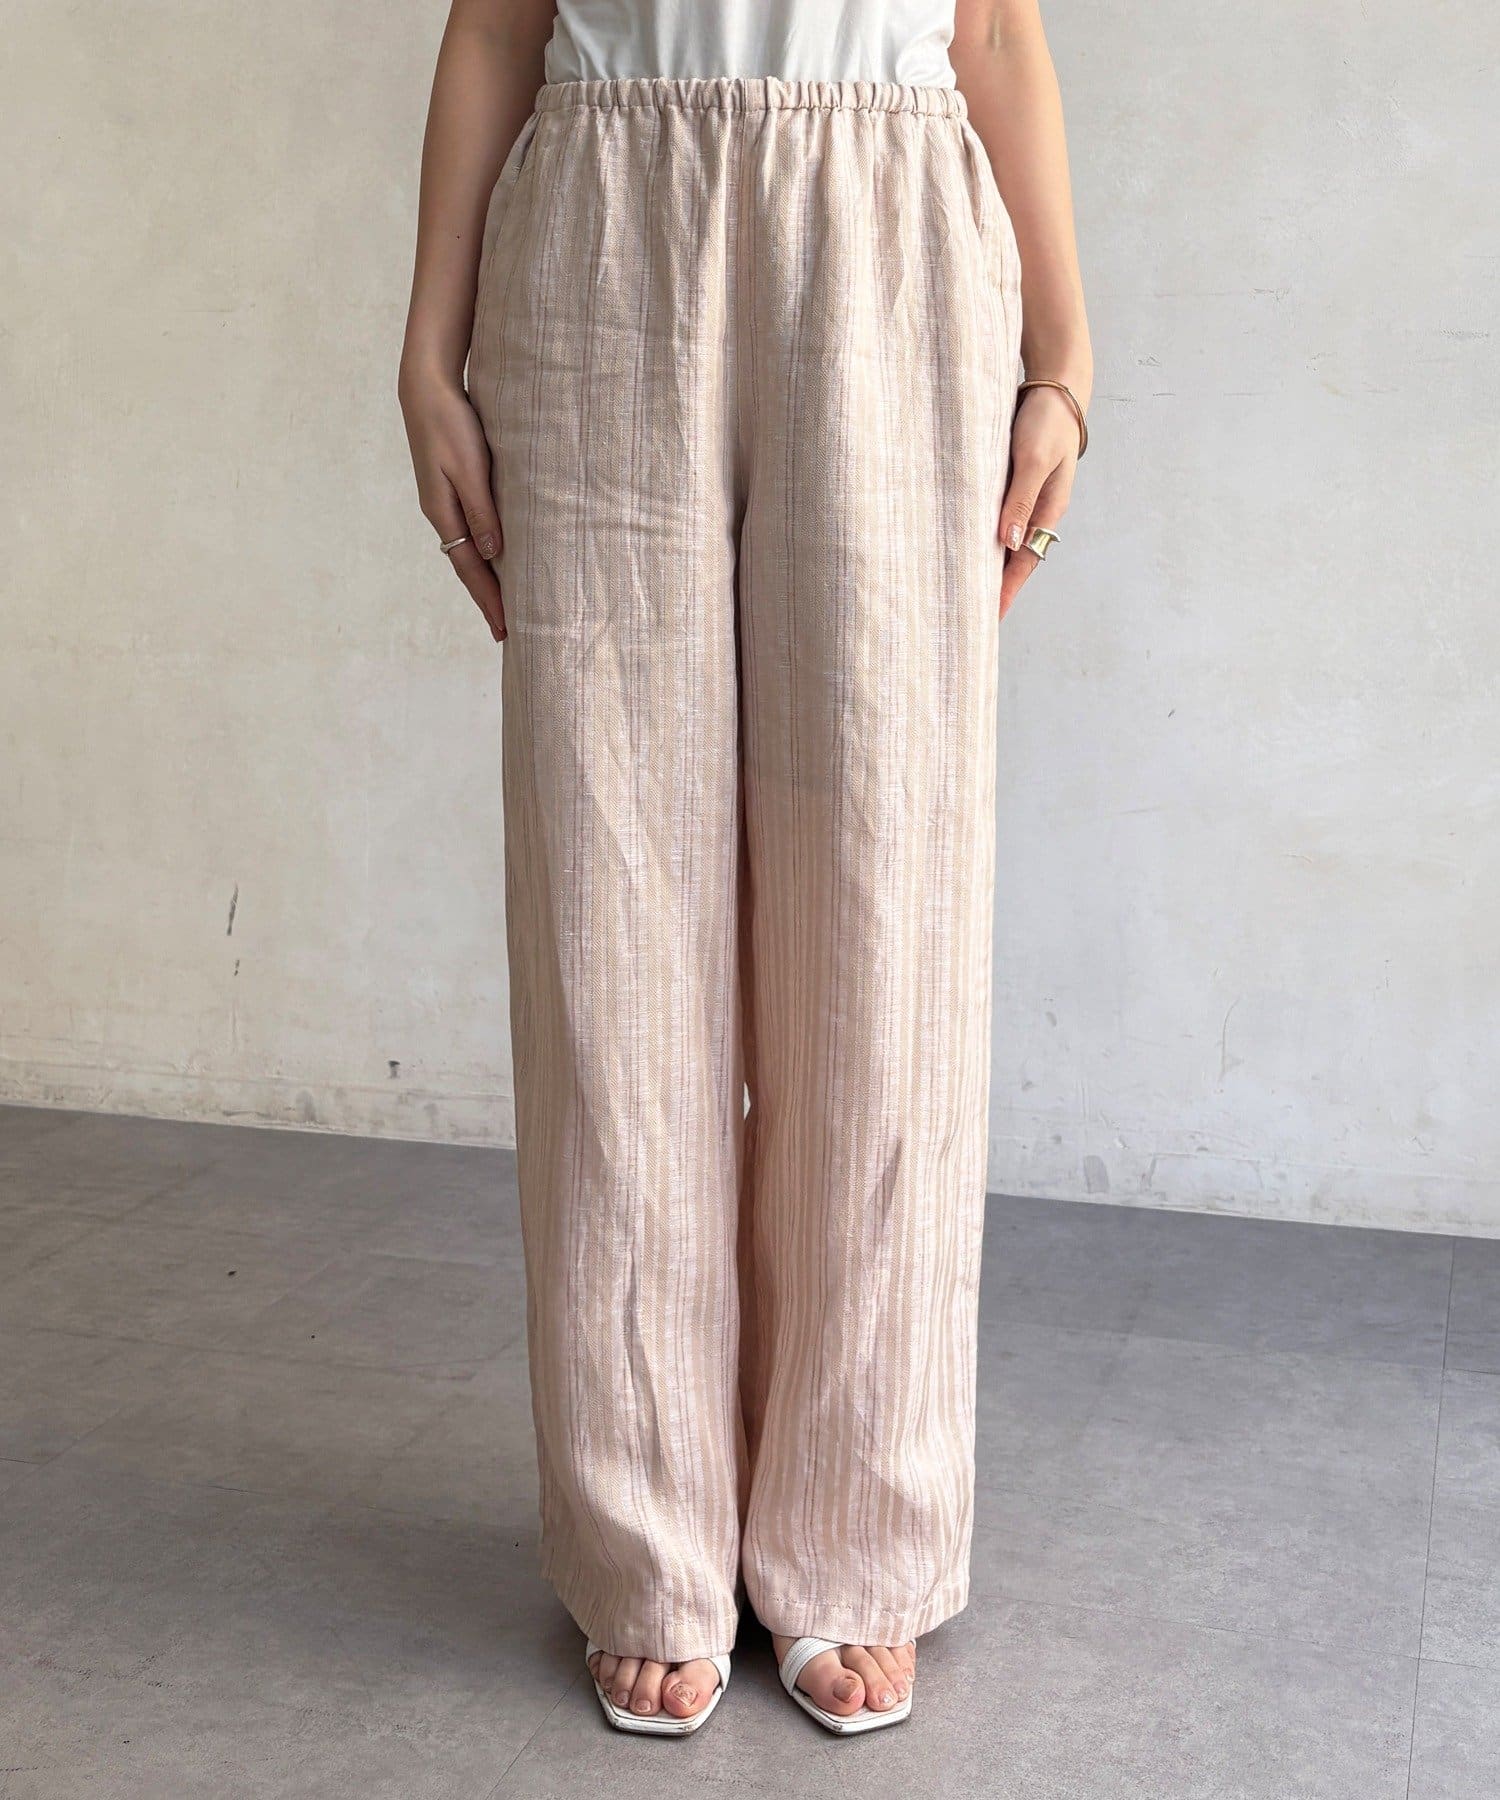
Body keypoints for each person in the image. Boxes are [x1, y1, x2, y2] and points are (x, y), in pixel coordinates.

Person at [399, 0, 1091, 1738]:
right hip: (599, 226)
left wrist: (1065, 363)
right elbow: (494, 21)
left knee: (884, 907)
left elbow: (996, 27)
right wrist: (426, 348)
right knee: (610, 912)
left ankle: (858, 1526)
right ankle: (645, 1539)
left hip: (894, 233)